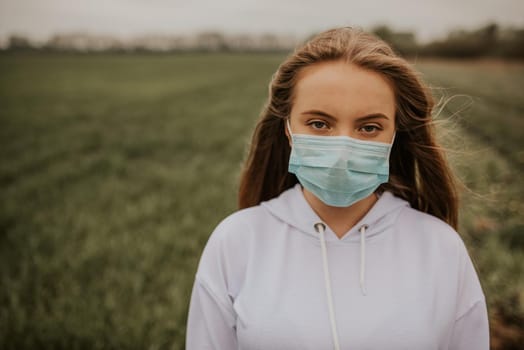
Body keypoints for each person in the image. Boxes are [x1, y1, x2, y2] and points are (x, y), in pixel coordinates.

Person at [185, 27, 489, 349]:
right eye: (319, 124)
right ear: (287, 128)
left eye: (369, 127)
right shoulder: (236, 242)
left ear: (394, 136)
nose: (343, 148)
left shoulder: (440, 248)